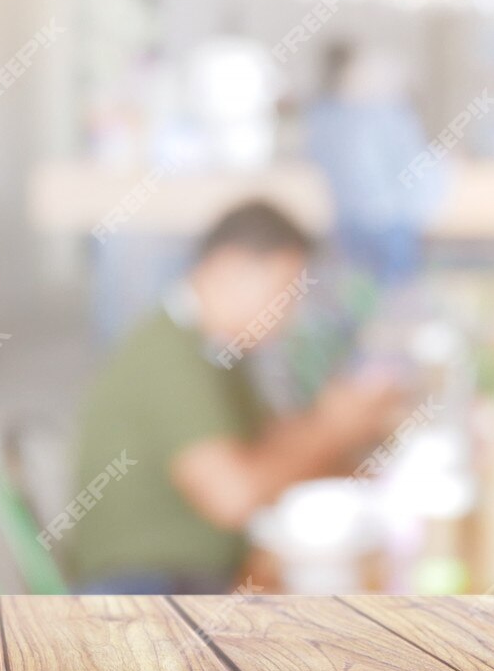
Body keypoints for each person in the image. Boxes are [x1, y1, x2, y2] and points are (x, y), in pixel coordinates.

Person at [58, 201, 400, 594]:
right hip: (145, 591)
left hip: (199, 579)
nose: (288, 314)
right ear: (228, 268)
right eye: (282, 292)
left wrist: (343, 433)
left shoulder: (217, 351)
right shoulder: (171, 355)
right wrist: (332, 427)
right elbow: (233, 497)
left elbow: (270, 446)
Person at [304, 42, 445, 285]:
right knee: (391, 301)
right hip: (386, 224)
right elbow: (418, 173)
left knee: (360, 295)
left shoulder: (326, 116)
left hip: (352, 223)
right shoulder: (381, 116)